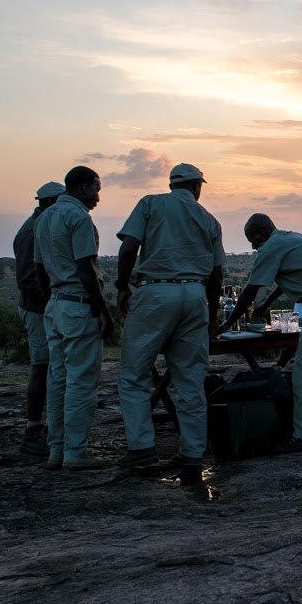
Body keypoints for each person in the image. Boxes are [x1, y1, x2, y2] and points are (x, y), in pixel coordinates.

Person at [114, 163, 226, 473]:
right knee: (190, 378)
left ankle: (141, 448)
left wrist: (123, 287)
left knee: (134, 375)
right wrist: (212, 314)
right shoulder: (209, 220)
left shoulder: (150, 203)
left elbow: (129, 249)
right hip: (195, 295)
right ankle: (192, 453)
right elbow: (216, 274)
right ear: (196, 186)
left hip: (155, 291)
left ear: (172, 184)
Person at [218, 214, 302, 453]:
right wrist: (266, 305)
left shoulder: (270, 247)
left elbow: (251, 290)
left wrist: (227, 324)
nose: (253, 246)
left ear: (262, 232)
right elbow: (286, 280)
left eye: (253, 239)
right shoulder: (291, 239)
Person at [33, 166, 114, 470]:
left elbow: (39, 269)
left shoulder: (44, 219)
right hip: (78, 305)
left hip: (55, 305)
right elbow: (86, 269)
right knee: (81, 382)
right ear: (81, 188)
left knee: (58, 379)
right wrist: (103, 310)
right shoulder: (79, 218)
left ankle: (56, 450)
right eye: (96, 189)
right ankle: (76, 451)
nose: (97, 197)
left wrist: (50, 303)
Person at [12, 180, 65, 455]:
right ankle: (33, 431)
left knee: (49, 367)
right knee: (42, 367)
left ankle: (47, 428)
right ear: (47, 203)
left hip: (44, 307)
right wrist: (56, 300)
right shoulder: (32, 233)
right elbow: (27, 280)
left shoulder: (40, 226)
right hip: (37, 310)